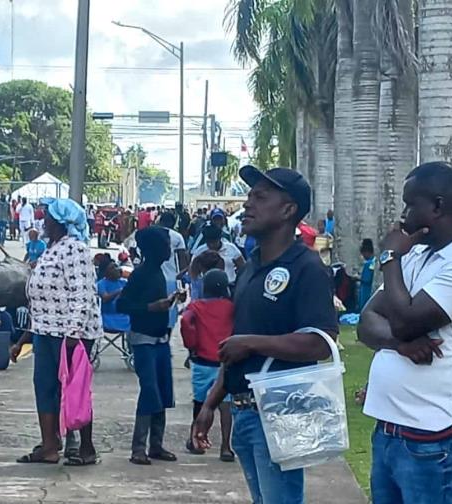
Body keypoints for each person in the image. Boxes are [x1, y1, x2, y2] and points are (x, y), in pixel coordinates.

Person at [357, 161, 452, 504]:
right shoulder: (417, 255)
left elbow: (406, 319)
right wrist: (398, 343)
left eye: (411, 204)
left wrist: (390, 256)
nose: (403, 216)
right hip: (390, 432)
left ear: (437, 206)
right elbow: (366, 323)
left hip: (437, 439)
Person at [193, 166, 337, 503]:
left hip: (282, 412)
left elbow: (321, 341)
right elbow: (237, 341)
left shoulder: (307, 267)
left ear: (288, 210)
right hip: (244, 411)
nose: (247, 205)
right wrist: (211, 402)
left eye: (260, 197)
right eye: (249, 196)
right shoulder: (251, 265)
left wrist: (253, 343)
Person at [11, 197, 101, 465]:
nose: (43, 221)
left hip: (71, 334)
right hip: (45, 330)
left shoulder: (75, 249)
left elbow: (82, 293)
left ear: (61, 222)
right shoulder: (53, 247)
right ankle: (49, 445)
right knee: (45, 387)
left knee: (76, 389)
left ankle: (86, 448)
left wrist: (73, 332)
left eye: (48, 217)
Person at [118, 227, 184, 465]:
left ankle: (156, 444)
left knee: (164, 390)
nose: (169, 250)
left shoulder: (158, 273)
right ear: (153, 250)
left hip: (161, 339)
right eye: (165, 245)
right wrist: (150, 308)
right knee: (150, 390)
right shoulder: (141, 275)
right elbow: (122, 305)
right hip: (143, 339)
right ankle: (138, 447)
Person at [181, 269, 234, 462]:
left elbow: (186, 322)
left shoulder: (196, 306)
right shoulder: (230, 307)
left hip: (202, 360)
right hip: (225, 361)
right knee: (226, 405)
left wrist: (191, 345)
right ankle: (226, 447)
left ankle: (196, 439)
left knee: (201, 403)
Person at [157, 212, 190, 330]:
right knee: (169, 312)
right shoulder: (177, 237)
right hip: (171, 279)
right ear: (173, 223)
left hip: (152, 277)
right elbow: (182, 260)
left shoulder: (151, 233)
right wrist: (182, 276)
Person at [97, 260, 130, 333]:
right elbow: (105, 298)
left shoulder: (124, 282)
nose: (117, 269)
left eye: (117, 266)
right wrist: (119, 291)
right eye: (113, 267)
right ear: (107, 271)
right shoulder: (101, 284)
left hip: (124, 317)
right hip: (107, 317)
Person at [358, 239, 377, 312]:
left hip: (366, 289)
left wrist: (357, 278)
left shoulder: (368, 264)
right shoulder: (374, 261)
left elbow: (366, 278)